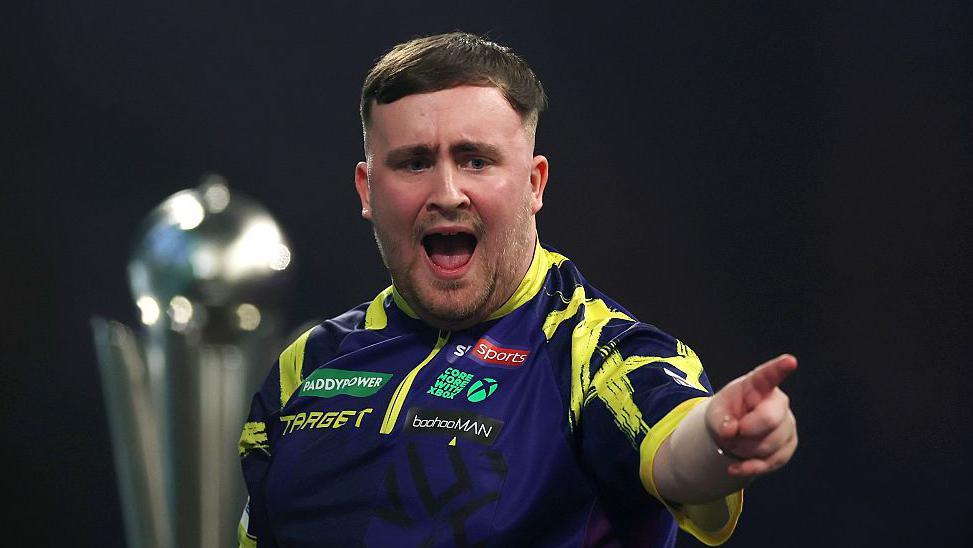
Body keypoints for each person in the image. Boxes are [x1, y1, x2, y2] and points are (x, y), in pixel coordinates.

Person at [238, 32, 797, 547]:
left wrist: (722, 440)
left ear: (534, 184)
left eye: (476, 160)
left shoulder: (596, 354)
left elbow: (678, 448)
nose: (447, 192)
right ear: (367, 189)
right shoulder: (305, 364)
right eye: (413, 163)